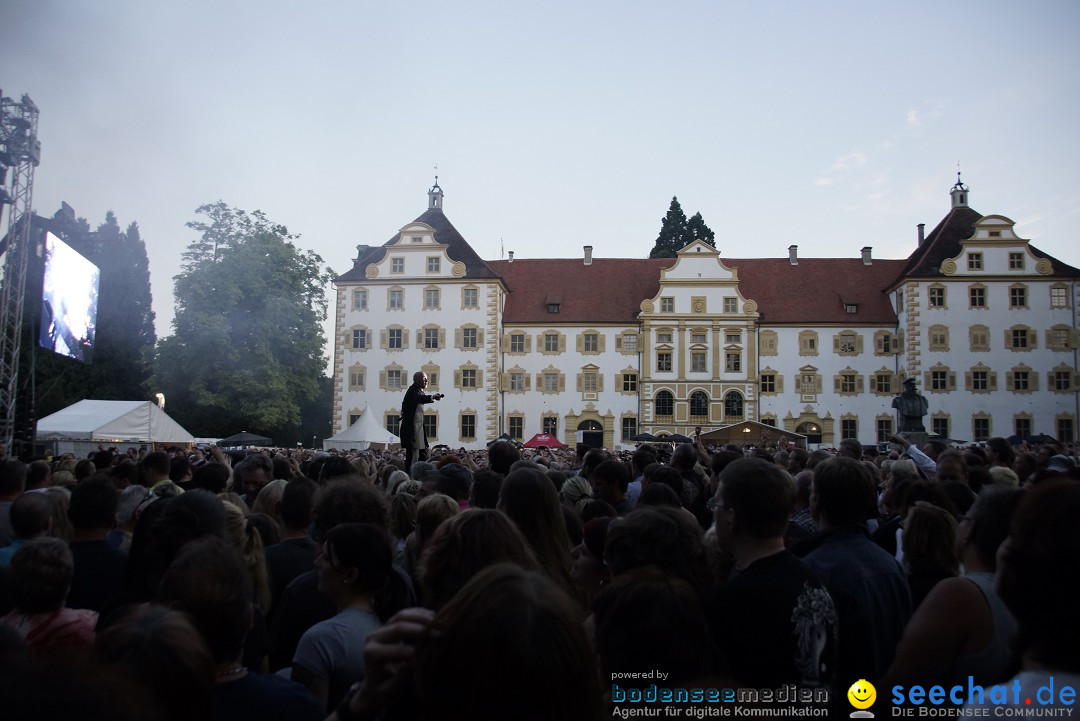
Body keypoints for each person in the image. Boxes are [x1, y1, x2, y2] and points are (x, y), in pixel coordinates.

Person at [400, 372, 444, 469]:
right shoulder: (413, 391)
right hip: (412, 430)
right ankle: (411, 476)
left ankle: (419, 471)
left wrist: (432, 397)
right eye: (424, 379)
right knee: (413, 455)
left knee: (425, 452)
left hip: (418, 428)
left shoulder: (418, 390)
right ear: (416, 380)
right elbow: (419, 398)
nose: (427, 381)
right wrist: (432, 397)